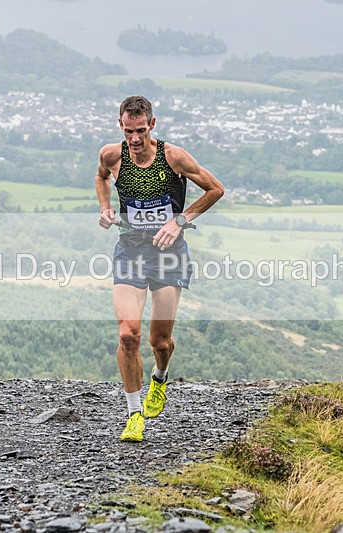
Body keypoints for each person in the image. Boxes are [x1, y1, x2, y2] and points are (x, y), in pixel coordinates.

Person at [95, 96, 225, 442]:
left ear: (152, 125)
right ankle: (134, 414)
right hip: (130, 251)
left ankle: (160, 378)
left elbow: (215, 189)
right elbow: (101, 177)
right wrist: (106, 208)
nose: (134, 139)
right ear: (120, 126)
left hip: (169, 255)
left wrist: (180, 220)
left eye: (140, 130)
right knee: (127, 334)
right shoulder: (112, 154)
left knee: (161, 341)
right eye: (128, 131)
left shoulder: (173, 157)